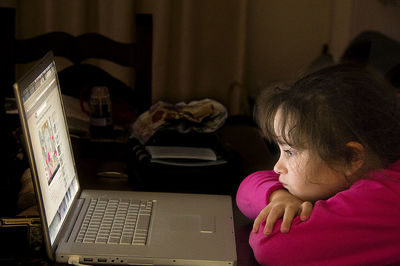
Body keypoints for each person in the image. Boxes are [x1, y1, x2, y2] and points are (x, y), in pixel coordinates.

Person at [236, 64, 400, 265]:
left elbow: (270, 245)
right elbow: (247, 188)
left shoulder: (384, 199)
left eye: (290, 151)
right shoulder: (366, 165)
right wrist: (279, 197)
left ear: (351, 157)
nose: (277, 167)